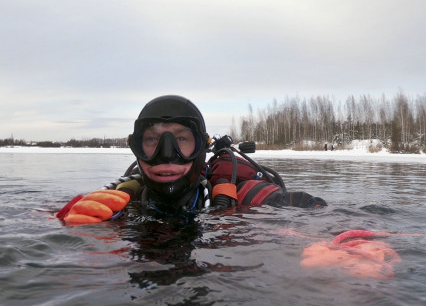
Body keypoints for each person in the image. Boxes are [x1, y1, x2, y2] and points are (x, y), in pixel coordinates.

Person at [57, 95, 326, 225]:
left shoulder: (243, 196)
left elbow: (309, 208)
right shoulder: (122, 199)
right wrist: (62, 220)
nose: (166, 155)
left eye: (181, 140)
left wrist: (348, 242)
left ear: (202, 146)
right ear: (137, 146)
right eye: (152, 140)